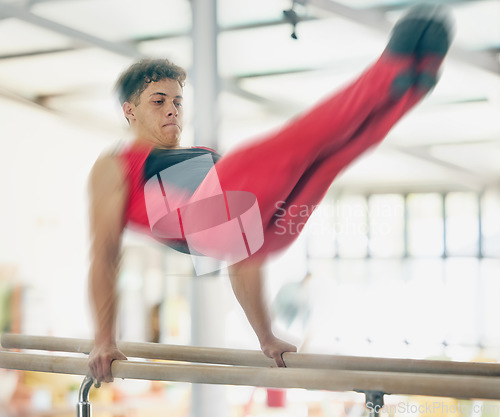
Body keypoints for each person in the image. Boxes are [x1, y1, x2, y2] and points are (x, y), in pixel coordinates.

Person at [87, 4, 453, 383]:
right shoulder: (117, 164)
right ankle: (390, 75)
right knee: (304, 140)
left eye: (178, 101)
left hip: (261, 233)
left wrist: (266, 337)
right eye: (158, 101)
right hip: (213, 218)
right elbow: (104, 255)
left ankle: (409, 88)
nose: (172, 111)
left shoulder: (202, 157)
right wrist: (103, 339)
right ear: (130, 111)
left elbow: (241, 257)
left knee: (331, 156)